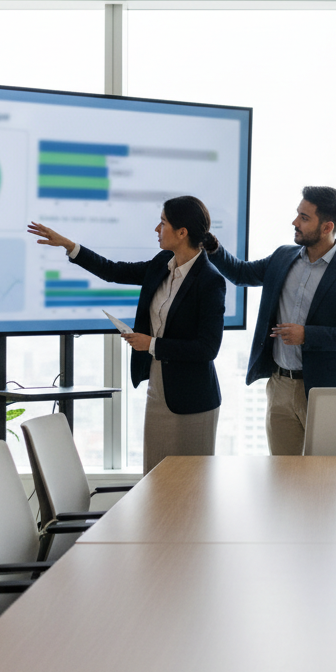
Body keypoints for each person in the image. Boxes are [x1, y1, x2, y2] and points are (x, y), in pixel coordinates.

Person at [27, 196, 225, 475]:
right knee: (154, 480)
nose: (157, 229)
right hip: (158, 390)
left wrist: (152, 344)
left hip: (193, 401)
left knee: (189, 488)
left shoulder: (210, 280)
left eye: (163, 223)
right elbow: (113, 271)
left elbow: (207, 349)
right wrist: (71, 246)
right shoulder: (162, 263)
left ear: (183, 232)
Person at [208, 186, 336, 455]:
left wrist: (307, 334)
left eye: (304, 218)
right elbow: (241, 274)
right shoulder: (283, 257)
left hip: (324, 393)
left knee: (326, 477)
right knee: (284, 478)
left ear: (327, 226)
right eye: (298, 214)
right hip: (280, 388)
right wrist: (214, 247)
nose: (295, 222)